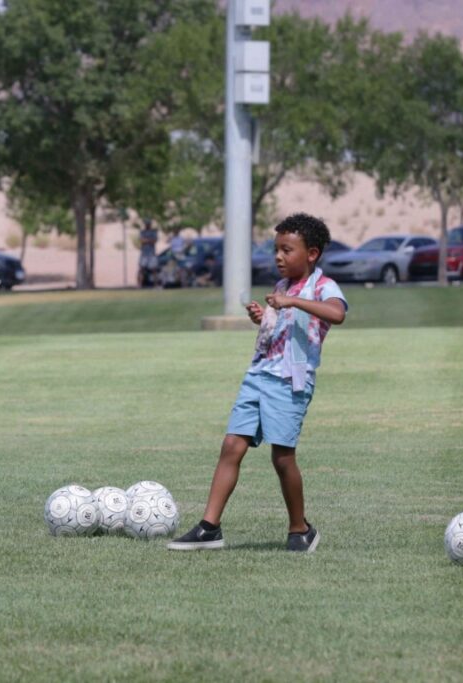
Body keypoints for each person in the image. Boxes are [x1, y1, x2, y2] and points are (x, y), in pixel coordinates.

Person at [168, 213, 347, 553]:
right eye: (275, 249)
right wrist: (263, 318)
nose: (278, 257)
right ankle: (210, 528)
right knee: (232, 445)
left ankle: (301, 529)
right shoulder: (281, 288)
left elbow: (337, 314)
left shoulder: (323, 287)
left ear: (312, 254)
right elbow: (281, 329)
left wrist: (292, 301)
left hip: (289, 382)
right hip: (258, 375)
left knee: (282, 457)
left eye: (286, 250)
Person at [137, 219, 159, 288]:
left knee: (154, 270)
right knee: (141, 269)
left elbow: (154, 241)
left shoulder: (153, 232)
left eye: (148, 224)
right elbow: (141, 241)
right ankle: (139, 285)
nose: (147, 225)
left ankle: (156, 285)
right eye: (146, 224)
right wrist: (149, 240)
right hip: (144, 253)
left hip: (152, 253)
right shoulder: (142, 232)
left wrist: (146, 240)